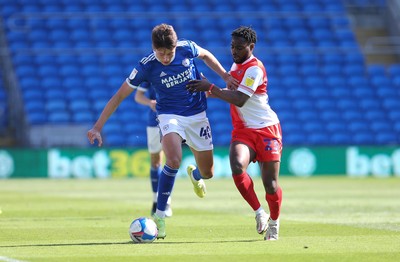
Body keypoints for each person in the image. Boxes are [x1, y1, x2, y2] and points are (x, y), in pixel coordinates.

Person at [87, 23, 237, 239]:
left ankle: (195, 175)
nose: (166, 58)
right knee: (173, 159)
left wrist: (224, 76)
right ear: (153, 47)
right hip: (169, 115)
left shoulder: (187, 48)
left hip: (197, 115)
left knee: (208, 173)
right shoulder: (145, 66)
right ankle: (160, 216)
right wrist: (97, 127)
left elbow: (205, 55)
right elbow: (119, 96)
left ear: (176, 47)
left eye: (170, 53)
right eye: (161, 53)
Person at [186, 26, 283, 241]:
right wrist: (204, 91)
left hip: (267, 130)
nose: (234, 51)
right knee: (237, 166)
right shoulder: (235, 65)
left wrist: (210, 87)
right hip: (244, 131)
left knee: (271, 184)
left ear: (251, 47)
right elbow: (231, 93)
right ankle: (260, 213)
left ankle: (274, 223)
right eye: (232, 47)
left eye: (239, 48)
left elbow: (240, 99)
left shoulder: (255, 69)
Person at [134, 84, 172, 217]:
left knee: (172, 160)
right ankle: (156, 199)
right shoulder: (150, 70)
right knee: (156, 162)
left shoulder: (177, 69)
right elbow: (138, 96)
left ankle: (166, 201)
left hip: (175, 119)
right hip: (155, 121)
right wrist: (150, 102)